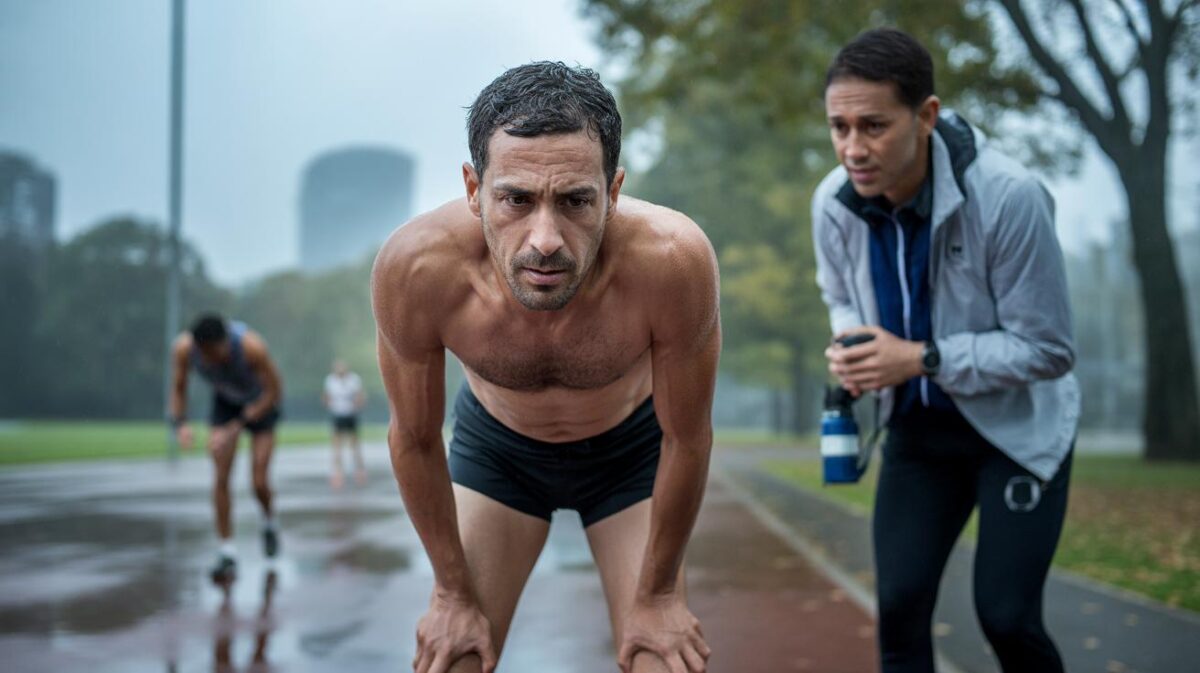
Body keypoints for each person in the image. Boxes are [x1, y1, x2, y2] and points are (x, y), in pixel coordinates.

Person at [371, 62, 720, 673]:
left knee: (661, 658)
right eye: (516, 199)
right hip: (499, 454)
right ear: (474, 188)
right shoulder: (417, 269)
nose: (545, 239)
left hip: (631, 456)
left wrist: (659, 596)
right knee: (455, 655)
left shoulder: (672, 260)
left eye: (575, 201)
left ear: (612, 192)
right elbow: (415, 439)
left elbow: (687, 438)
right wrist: (451, 595)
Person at [812, 27, 1080, 673]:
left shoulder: (1010, 197)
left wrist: (920, 358)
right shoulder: (832, 203)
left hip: (1016, 432)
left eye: (874, 126)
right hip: (917, 432)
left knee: (1007, 617)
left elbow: (1048, 349)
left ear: (926, 115)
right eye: (839, 127)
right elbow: (839, 293)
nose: (853, 148)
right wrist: (854, 345)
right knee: (899, 610)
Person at [170, 313, 285, 583]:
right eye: (205, 355)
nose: (211, 361)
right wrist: (181, 424)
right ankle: (226, 551)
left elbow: (275, 391)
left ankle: (269, 521)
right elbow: (178, 387)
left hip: (261, 404)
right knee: (220, 476)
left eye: (216, 354)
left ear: (226, 343)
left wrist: (236, 426)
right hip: (225, 403)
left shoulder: (252, 347)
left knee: (259, 481)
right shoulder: (184, 349)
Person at [322, 358, 367, 489]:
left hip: (350, 414)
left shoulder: (354, 379)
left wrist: (357, 405)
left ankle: (360, 471)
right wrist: (329, 404)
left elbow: (360, 396)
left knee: (354, 444)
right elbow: (326, 396)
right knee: (337, 445)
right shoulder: (330, 380)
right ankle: (337, 473)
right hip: (337, 414)